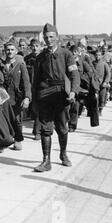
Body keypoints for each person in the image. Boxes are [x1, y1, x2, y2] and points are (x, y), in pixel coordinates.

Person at [32, 23, 80, 172]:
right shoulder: (40, 57)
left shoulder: (66, 54)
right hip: (45, 95)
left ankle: (63, 154)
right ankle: (46, 161)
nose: (48, 40)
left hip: (61, 95)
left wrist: (73, 91)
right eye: (46, 37)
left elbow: (74, 75)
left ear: (57, 38)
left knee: (61, 127)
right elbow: (35, 81)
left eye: (51, 37)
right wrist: (35, 100)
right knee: (46, 129)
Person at [1, 42, 31, 151]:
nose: (10, 52)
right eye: (8, 49)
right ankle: (4, 141)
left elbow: (26, 82)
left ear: (16, 51)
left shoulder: (20, 65)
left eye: (12, 50)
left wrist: (27, 97)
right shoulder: (0, 65)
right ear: (4, 51)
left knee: (17, 119)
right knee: (3, 119)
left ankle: (18, 140)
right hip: (2, 97)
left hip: (16, 97)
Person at [24, 39, 44, 140]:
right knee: (33, 109)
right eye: (33, 46)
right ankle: (37, 129)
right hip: (29, 86)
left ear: (40, 46)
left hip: (40, 87)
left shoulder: (44, 58)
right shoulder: (27, 59)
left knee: (38, 109)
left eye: (37, 46)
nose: (35, 48)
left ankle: (38, 131)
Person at [92, 47, 110, 116]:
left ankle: (100, 110)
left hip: (102, 84)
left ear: (101, 55)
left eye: (99, 55)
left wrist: (105, 82)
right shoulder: (92, 63)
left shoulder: (104, 64)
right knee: (94, 98)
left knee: (101, 97)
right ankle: (94, 110)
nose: (97, 56)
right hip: (94, 84)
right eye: (96, 55)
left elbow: (108, 74)